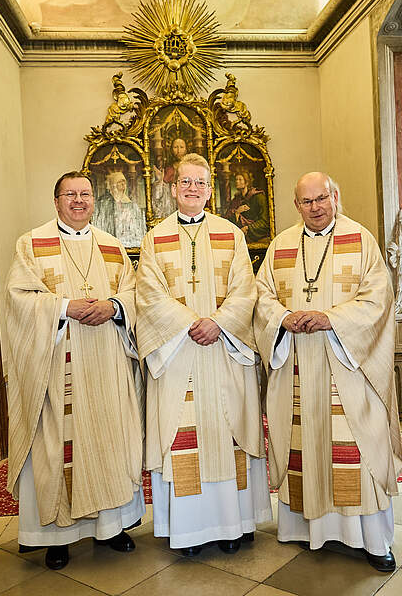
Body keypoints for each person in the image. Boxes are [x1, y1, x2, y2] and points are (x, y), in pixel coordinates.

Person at [254, 171, 402, 572]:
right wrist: (283, 317)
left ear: (335, 196)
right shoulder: (281, 245)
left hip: (348, 368)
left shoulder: (360, 240)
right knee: (305, 444)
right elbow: (261, 298)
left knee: (358, 448)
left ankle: (373, 541)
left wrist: (330, 319)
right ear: (296, 205)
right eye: (306, 201)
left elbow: (377, 300)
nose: (315, 207)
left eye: (321, 198)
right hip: (298, 365)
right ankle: (309, 531)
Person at [5, 171, 144, 570]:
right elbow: (18, 298)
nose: (79, 201)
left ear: (93, 201)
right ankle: (58, 537)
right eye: (71, 194)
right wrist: (63, 308)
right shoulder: (32, 244)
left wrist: (115, 307)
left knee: (108, 441)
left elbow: (135, 295)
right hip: (58, 368)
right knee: (57, 448)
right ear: (56, 201)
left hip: (107, 364)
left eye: (85, 194)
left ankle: (113, 527)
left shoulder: (114, 247)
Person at [136, 153, 271, 556]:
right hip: (178, 355)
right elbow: (148, 294)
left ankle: (235, 525)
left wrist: (218, 323)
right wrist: (189, 323)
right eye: (185, 182)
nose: (192, 189)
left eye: (200, 183)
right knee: (184, 439)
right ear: (173, 188)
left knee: (229, 435)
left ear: (211, 190)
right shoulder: (154, 238)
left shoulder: (232, 234)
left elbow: (246, 289)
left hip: (224, 351)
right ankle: (188, 533)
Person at [93, 170, 146, 248]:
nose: (123, 184)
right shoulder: (104, 202)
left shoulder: (131, 204)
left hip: (128, 241)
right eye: (120, 182)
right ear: (113, 184)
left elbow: (137, 224)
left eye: (124, 182)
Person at [224, 171, 269, 244]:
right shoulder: (236, 199)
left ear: (246, 182)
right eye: (236, 180)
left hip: (255, 234)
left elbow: (265, 221)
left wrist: (248, 228)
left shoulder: (258, 197)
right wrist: (237, 212)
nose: (237, 182)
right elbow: (227, 220)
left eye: (240, 179)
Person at [150, 138, 187, 220]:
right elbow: (161, 189)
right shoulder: (168, 169)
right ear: (171, 150)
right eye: (175, 147)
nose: (178, 150)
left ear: (186, 149)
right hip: (171, 204)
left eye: (181, 147)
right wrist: (159, 181)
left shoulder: (190, 168)